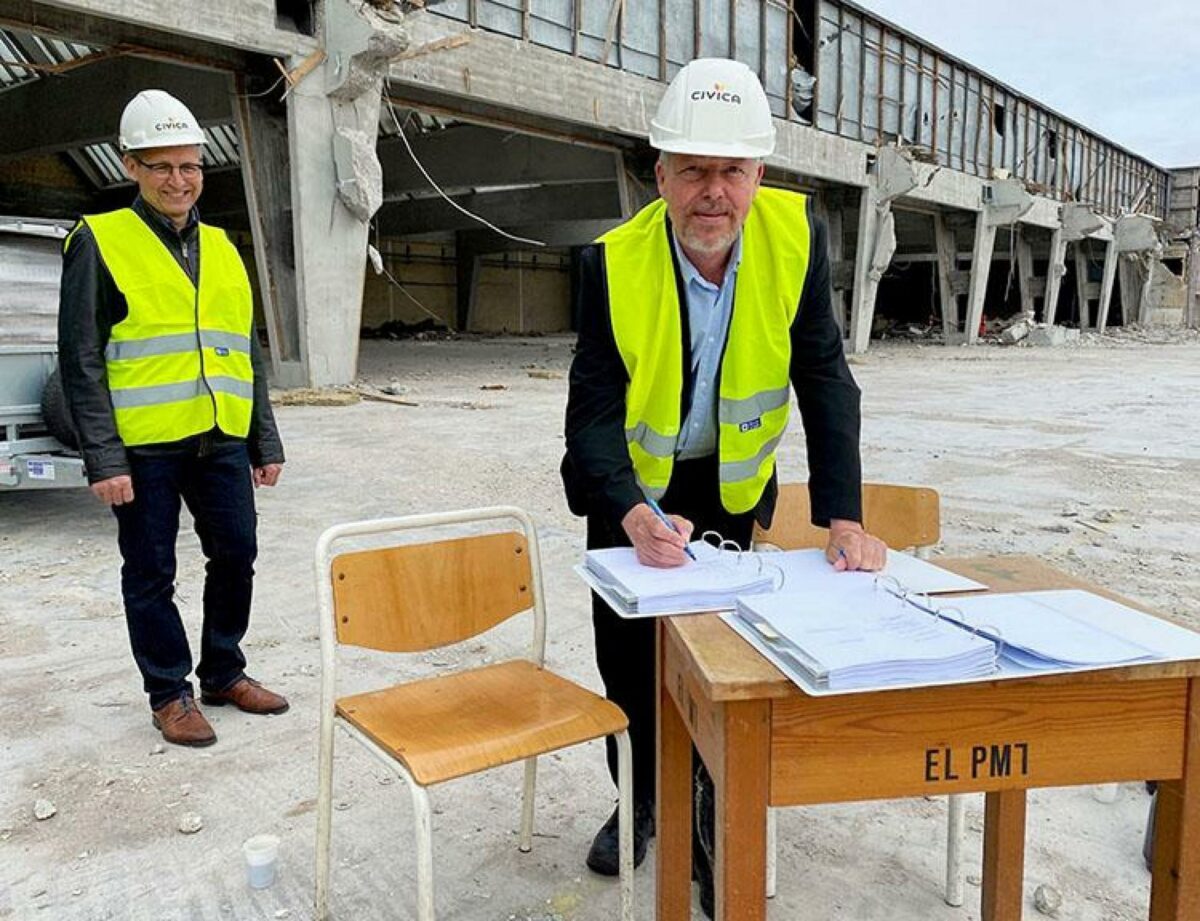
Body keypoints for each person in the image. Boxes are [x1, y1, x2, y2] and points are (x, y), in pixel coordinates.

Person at [561, 58, 887, 914]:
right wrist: (628, 507)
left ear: (759, 174)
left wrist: (844, 516)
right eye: (695, 171)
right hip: (630, 493)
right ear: (661, 173)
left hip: (731, 491)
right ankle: (638, 802)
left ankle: (706, 803)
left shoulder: (797, 240)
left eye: (731, 171)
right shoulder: (609, 265)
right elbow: (591, 412)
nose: (714, 192)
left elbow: (825, 378)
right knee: (629, 664)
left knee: (723, 666)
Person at [57, 89, 289, 748]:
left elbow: (247, 353)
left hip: (220, 439)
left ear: (201, 169)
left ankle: (222, 670)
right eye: (160, 165)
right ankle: (169, 690)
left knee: (237, 554)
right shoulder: (100, 240)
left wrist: (262, 438)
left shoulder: (223, 247)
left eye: (188, 166)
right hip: (143, 449)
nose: (177, 180)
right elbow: (80, 358)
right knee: (151, 571)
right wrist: (102, 457)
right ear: (130, 164)